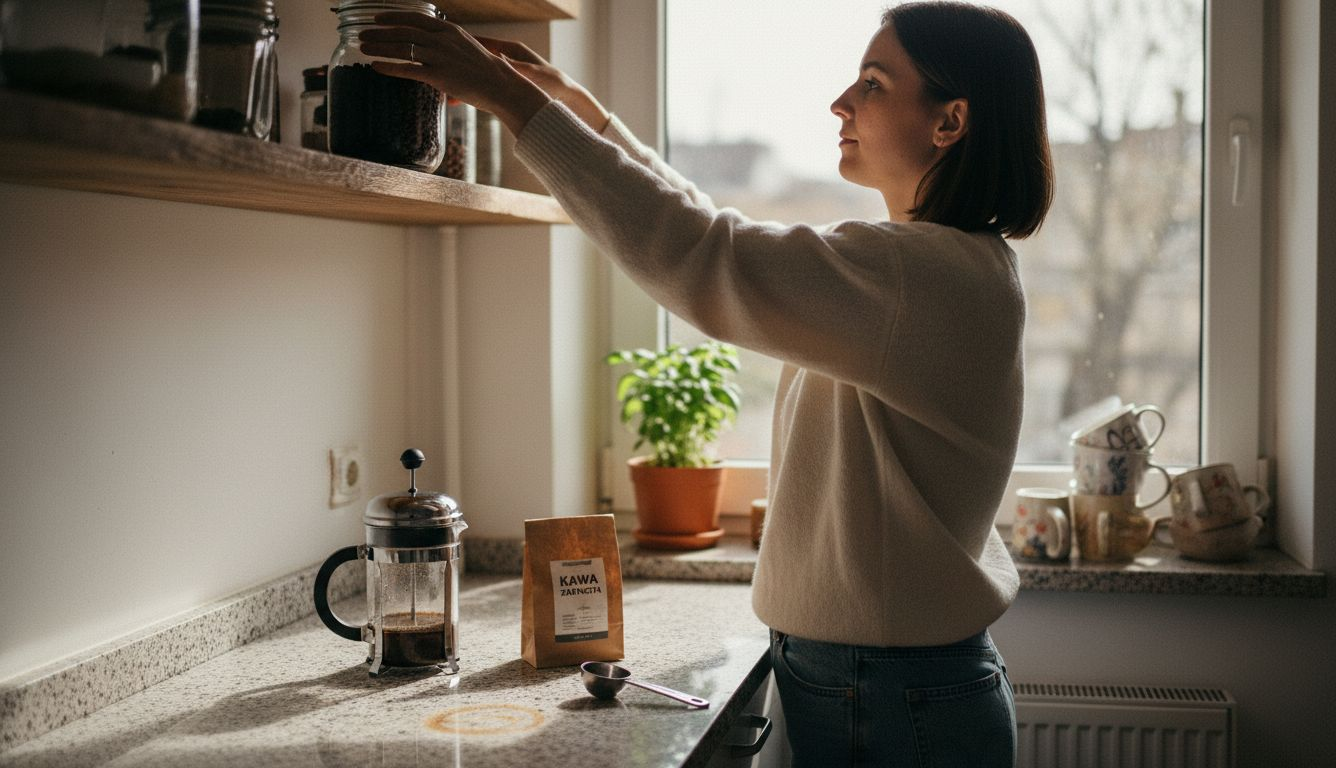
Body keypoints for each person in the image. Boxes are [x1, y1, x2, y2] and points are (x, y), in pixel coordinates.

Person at [359, 2, 1052, 764]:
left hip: (889, 691)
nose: (842, 103)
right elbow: (713, 235)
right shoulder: (930, 268)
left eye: (874, 84)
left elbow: (707, 255)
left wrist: (517, 104)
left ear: (949, 122)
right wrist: (586, 120)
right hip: (883, 683)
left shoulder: (921, 276)